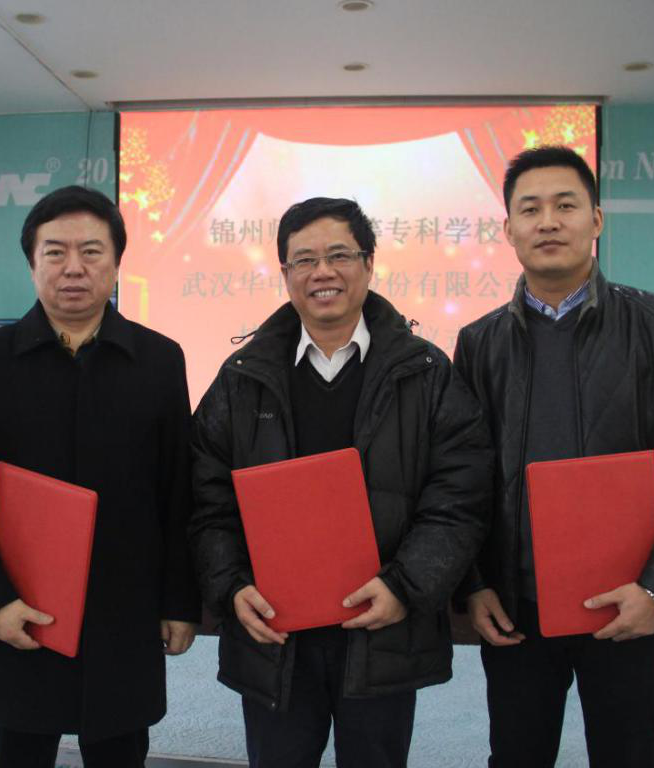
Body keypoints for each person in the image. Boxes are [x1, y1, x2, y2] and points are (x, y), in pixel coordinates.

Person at [189, 197, 492, 768]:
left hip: (383, 629)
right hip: (275, 632)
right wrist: (230, 588)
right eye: (304, 260)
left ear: (369, 263)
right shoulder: (241, 379)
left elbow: (460, 497)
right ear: (285, 273)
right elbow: (207, 501)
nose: (322, 272)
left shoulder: (426, 374)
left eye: (339, 255)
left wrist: (405, 587)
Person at [454, 145, 654, 768]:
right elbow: (463, 478)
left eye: (565, 205)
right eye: (530, 209)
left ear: (596, 220)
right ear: (509, 230)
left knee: (628, 754)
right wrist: (475, 584)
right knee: (517, 756)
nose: (548, 222)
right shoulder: (478, 343)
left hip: (631, 601)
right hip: (518, 609)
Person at [0, 185, 200, 768]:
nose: (73, 267)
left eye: (91, 251)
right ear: (32, 264)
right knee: (19, 751)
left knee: (120, 750)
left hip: (125, 607)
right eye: (55, 252)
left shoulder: (160, 361)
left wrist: (180, 601)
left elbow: (178, 489)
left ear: (117, 264)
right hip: (21, 605)